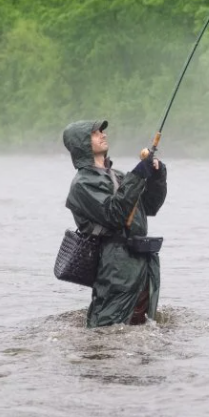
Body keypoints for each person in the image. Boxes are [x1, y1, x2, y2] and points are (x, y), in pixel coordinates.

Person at [61, 119, 168, 328]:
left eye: (102, 131)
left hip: (142, 262)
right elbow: (115, 214)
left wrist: (157, 175)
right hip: (115, 266)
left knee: (141, 328)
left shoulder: (118, 175)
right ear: (81, 144)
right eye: (95, 133)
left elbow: (149, 206)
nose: (103, 135)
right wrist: (138, 174)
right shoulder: (82, 184)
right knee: (108, 328)